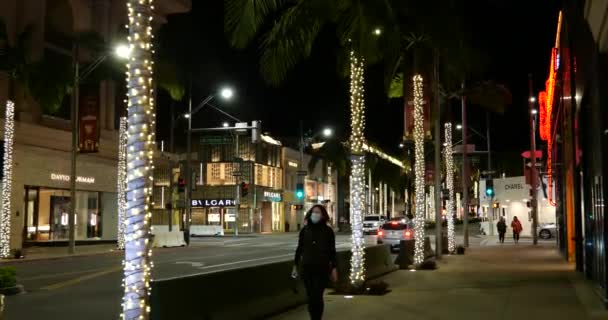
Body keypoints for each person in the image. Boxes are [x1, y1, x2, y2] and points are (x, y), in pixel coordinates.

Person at [292, 205, 338, 320]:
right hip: (306, 269)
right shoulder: (305, 230)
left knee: (317, 296)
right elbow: (299, 249)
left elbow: (332, 251)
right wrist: (295, 266)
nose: (315, 214)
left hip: (321, 269)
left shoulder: (328, 231)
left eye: (318, 212)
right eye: (313, 212)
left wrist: (334, 268)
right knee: (311, 297)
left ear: (323, 215)